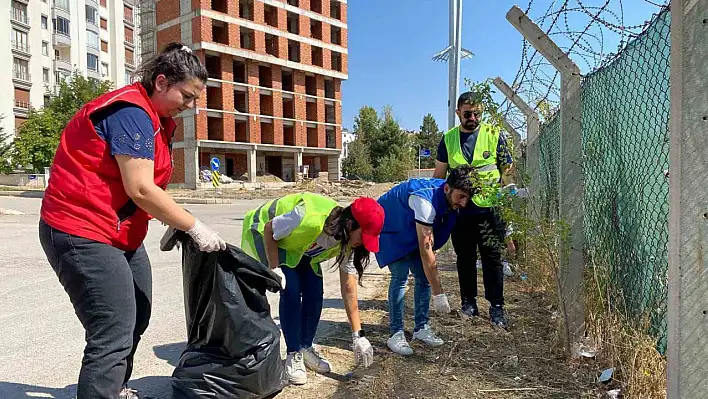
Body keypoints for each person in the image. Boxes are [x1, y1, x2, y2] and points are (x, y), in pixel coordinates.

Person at [38, 43, 227, 399]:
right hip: (79, 229)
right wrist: (193, 225)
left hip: (117, 232)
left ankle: (115, 387)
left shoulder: (156, 119)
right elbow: (140, 188)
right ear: (160, 82)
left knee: (138, 312)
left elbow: (142, 190)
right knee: (112, 329)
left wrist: (167, 217)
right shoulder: (131, 113)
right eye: (186, 96)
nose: (190, 107)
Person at [241, 193, 384, 385]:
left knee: (315, 293)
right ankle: (293, 354)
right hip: (267, 234)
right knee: (290, 289)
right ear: (350, 224)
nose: (363, 243)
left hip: (300, 248)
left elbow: (348, 287)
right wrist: (274, 269)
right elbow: (269, 229)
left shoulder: (348, 241)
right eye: (363, 236)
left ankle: (305, 347)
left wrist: (358, 335)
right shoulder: (308, 217)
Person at [376, 165, 480, 356]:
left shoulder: (449, 195)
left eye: (467, 198)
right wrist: (439, 294)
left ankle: (421, 328)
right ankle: (396, 333)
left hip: (410, 224)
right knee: (400, 277)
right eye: (461, 197)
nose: (464, 203)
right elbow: (426, 251)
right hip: (392, 225)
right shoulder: (425, 201)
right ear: (447, 189)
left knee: (423, 277)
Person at [433, 91, 514, 329]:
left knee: (492, 259)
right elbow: (439, 176)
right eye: (467, 113)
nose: (473, 117)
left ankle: (496, 307)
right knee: (465, 258)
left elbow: (507, 171)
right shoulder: (448, 139)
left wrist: (508, 202)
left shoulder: (494, 134)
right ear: (458, 113)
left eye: (477, 113)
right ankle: (469, 303)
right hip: (460, 211)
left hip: (490, 210)